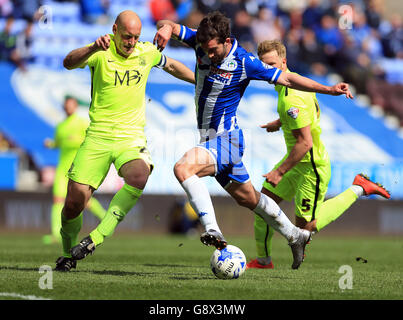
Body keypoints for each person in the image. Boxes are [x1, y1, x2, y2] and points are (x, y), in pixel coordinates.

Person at [154, 11, 353, 269]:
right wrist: (166, 29)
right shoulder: (199, 42)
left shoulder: (245, 61)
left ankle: (213, 230)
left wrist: (328, 89)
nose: (209, 55)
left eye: (214, 50)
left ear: (227, 40)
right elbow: (167, 24)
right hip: (211, 140)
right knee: (250, 199)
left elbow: (288, 78)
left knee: (183, 168)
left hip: (226, 139)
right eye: (205, 49)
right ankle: (296, 236)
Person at [54, 10, 195, 271]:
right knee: (74, 204)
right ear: (115, 29)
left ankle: (95, 238)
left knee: (139, 176)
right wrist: (90, 49)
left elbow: (173, 65)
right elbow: (68, 62)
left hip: (131, 137)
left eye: (136, 37)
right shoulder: (100, 49)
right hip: (98, 136)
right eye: (127, 36)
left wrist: (199, 81)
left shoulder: (146, 52)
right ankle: (67, 254)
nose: (131, 42)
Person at [246, 40, 391, 269]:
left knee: (305, 229)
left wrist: (278, 172)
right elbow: (304, 117)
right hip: (295, 160)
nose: (267, 70)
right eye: (264, 65)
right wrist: (281, 122)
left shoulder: (292, 98)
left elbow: (305, 143)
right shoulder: (289, 83)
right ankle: (264, 260)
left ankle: (359, 187)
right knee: (263, 205)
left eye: (272, 64)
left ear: (284, 62)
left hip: (310, 164)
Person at [42, 96, 107, 245]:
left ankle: (105, 217)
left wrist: (74, 141)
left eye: (71, 105)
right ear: (64, 107)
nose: (68, 108)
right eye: (66, 105)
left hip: (78, 166)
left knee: (82, 200)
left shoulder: (82, 123)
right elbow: (58, 143)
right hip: (62, 168)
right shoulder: (61, 126)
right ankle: (56, 234)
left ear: (75, 106)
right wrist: (50, 144)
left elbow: (90, 139)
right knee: (57, 200)